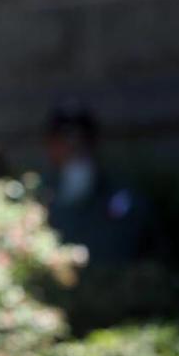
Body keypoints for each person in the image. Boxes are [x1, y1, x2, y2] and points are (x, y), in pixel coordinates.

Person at [39, 101, 149, 265]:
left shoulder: (122, 196)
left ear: (94, 144)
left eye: (81, 140)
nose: (74, 148)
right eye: (64, 141)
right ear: (51, 147)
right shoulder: (38, 194)